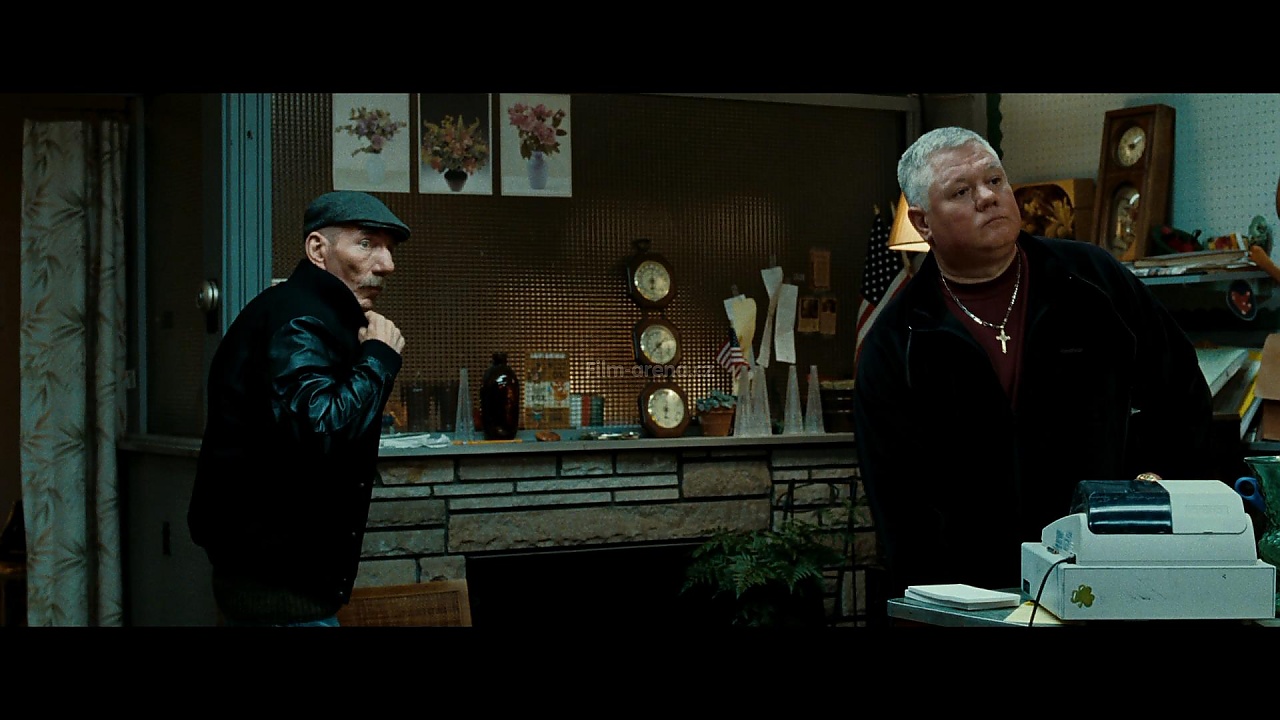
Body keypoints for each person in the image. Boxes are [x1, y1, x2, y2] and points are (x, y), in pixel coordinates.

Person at [853, 127, 1213, 619]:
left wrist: (1152, 488)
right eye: (961, 191)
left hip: (1114, 574)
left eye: (995, 180)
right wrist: (949, 609)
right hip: (979, 599)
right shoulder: (897, 341)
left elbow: (1182, 393)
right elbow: (898, 506)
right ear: (922, 222)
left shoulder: (1092, 280)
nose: (987, 198)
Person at [188, 190, 409, 626]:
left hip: (274, 579)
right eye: (366, 244)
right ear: (317, 249)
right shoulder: (301, 320)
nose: (386, 264)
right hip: (278, 591)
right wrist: (379, 359)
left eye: (389, 249)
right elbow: (322, 429)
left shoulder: (302, 312)